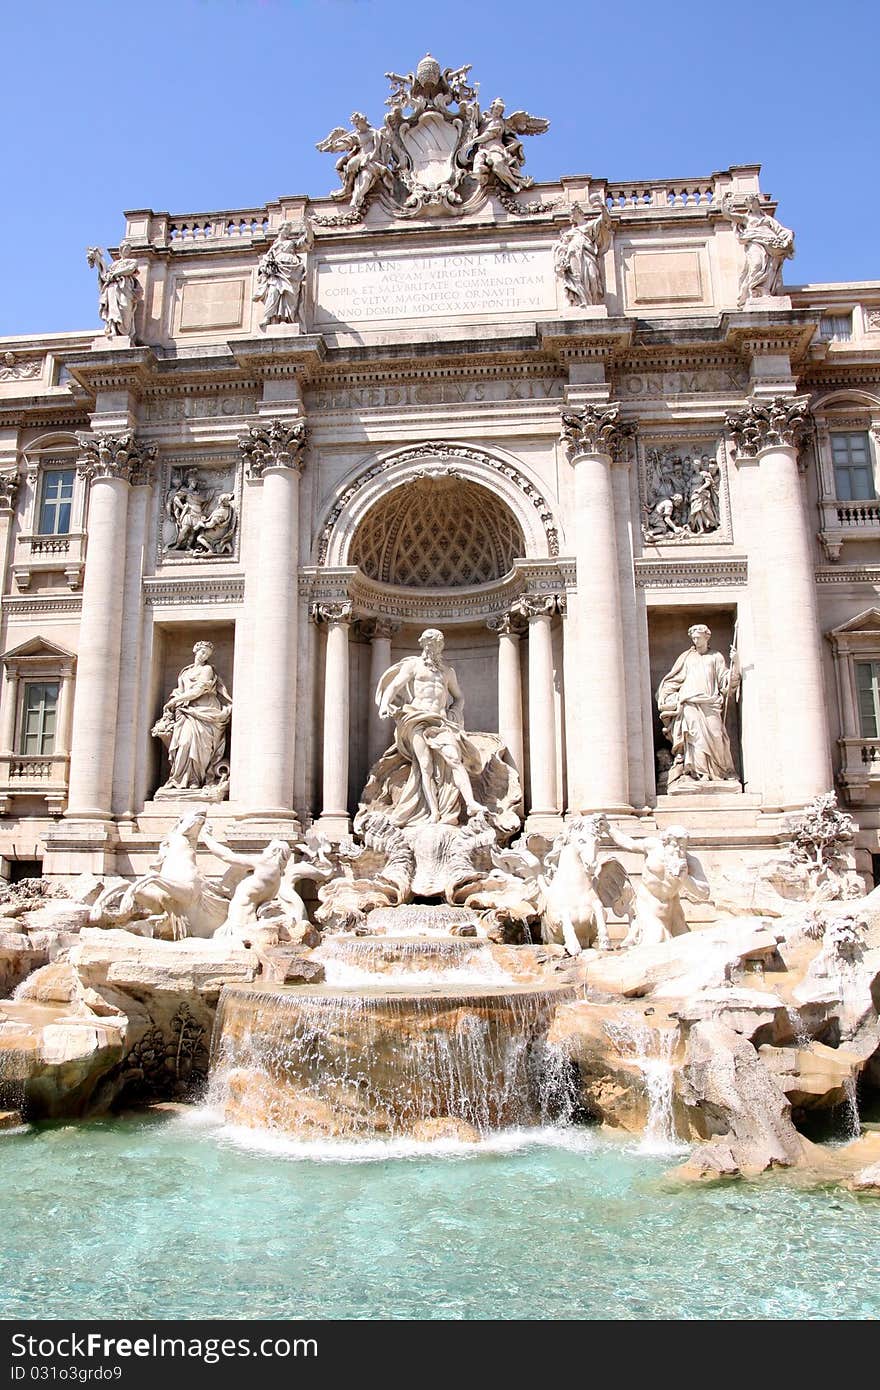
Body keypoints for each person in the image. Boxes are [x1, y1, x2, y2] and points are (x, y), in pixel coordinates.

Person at [375, 628, 487, 825]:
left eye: (436, 644)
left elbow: (459, 697)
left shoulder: (447, 672)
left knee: (454, 760)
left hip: (441, 721)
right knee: (424, 766)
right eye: (429, 644)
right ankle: (433, 812)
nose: (433, 648)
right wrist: (384, 705)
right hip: (417, 717)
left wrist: (454, 713)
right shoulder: (413, 666)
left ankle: (471, 803)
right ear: (423, 645)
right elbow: (393, 686)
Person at [656, 624, 740, 787]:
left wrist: (735, 662)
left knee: (716, 736)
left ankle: (719, 772)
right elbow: (672, 680)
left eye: (698, 637)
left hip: (710, 703)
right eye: (693, 637)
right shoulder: (686, 657)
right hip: (689, 702)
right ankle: (698, 774)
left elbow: (725, 682)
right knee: (695, 738)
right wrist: (667, 696)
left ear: (706, 637)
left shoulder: (716, 656)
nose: (695, 640)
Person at [605, 823, 710, 946]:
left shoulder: (690, 862)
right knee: (656, 939)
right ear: (665, 843)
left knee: (686, 944)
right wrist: (608, 828)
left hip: (672, 910)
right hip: (647, 905)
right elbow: (629, 843)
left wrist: (685, 878)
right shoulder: (652, 846)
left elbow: (704, 893)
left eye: (682, 847)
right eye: (674, 845)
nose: (678, 850)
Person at [153, 641, 232, 792]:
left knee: (197, 746)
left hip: (204, 711)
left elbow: (197, 692)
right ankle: (179, 779)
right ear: (195, 651)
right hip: (185, 711)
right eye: (202, 652)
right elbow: (180, 690)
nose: (204, 656)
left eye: (207, 654)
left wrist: (177, 700)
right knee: (183, 744)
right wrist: (174, 698)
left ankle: (196, 780)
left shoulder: (207, 669)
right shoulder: (185, 672)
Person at [553, 199, 613, 307]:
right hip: (573, 257)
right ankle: (582, 301)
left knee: (593, 277)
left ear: (578, 212)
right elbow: (560, 248)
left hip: (587, 256)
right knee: (576, 278)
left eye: (572, 213)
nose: (571, 216)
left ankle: (592, 303)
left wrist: (602, 208)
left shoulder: (590, 226)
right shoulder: (570, 233)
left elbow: (605, 220)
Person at [253, 221, 312, 327]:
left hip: (292, 272)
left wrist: (308, 229)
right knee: (273, 293)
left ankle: (287, 319)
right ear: (280, 230)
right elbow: (264, 262)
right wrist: (265, 268)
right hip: (277, 272)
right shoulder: (273, 247)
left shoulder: (292, 243)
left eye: (289, 230)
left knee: (290, 295)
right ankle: (268, 317)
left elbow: (306, 243)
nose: (288, 232)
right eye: (286, 229)